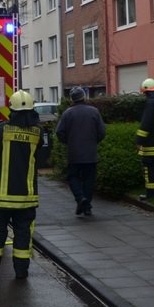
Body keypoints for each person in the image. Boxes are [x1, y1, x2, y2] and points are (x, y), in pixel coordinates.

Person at [0, 90, 44, 279]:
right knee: (24, 234)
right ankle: (22, 271)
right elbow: (39, 159)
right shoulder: (38, 133)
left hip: (2, 197)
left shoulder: (1, 131)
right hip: (27, 197)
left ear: (11, 110)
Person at [54, 87, 106, 217]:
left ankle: (80, 198)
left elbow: (59, 132)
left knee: (73, 177)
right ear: (84, 97)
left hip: (74, 153)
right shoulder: (94, 112)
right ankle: (86, 205)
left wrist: (69, 142)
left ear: (72, 99)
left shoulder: (67, 113)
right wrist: (93, 142)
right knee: (89, 179)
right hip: (91, 153)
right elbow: (102, 132)